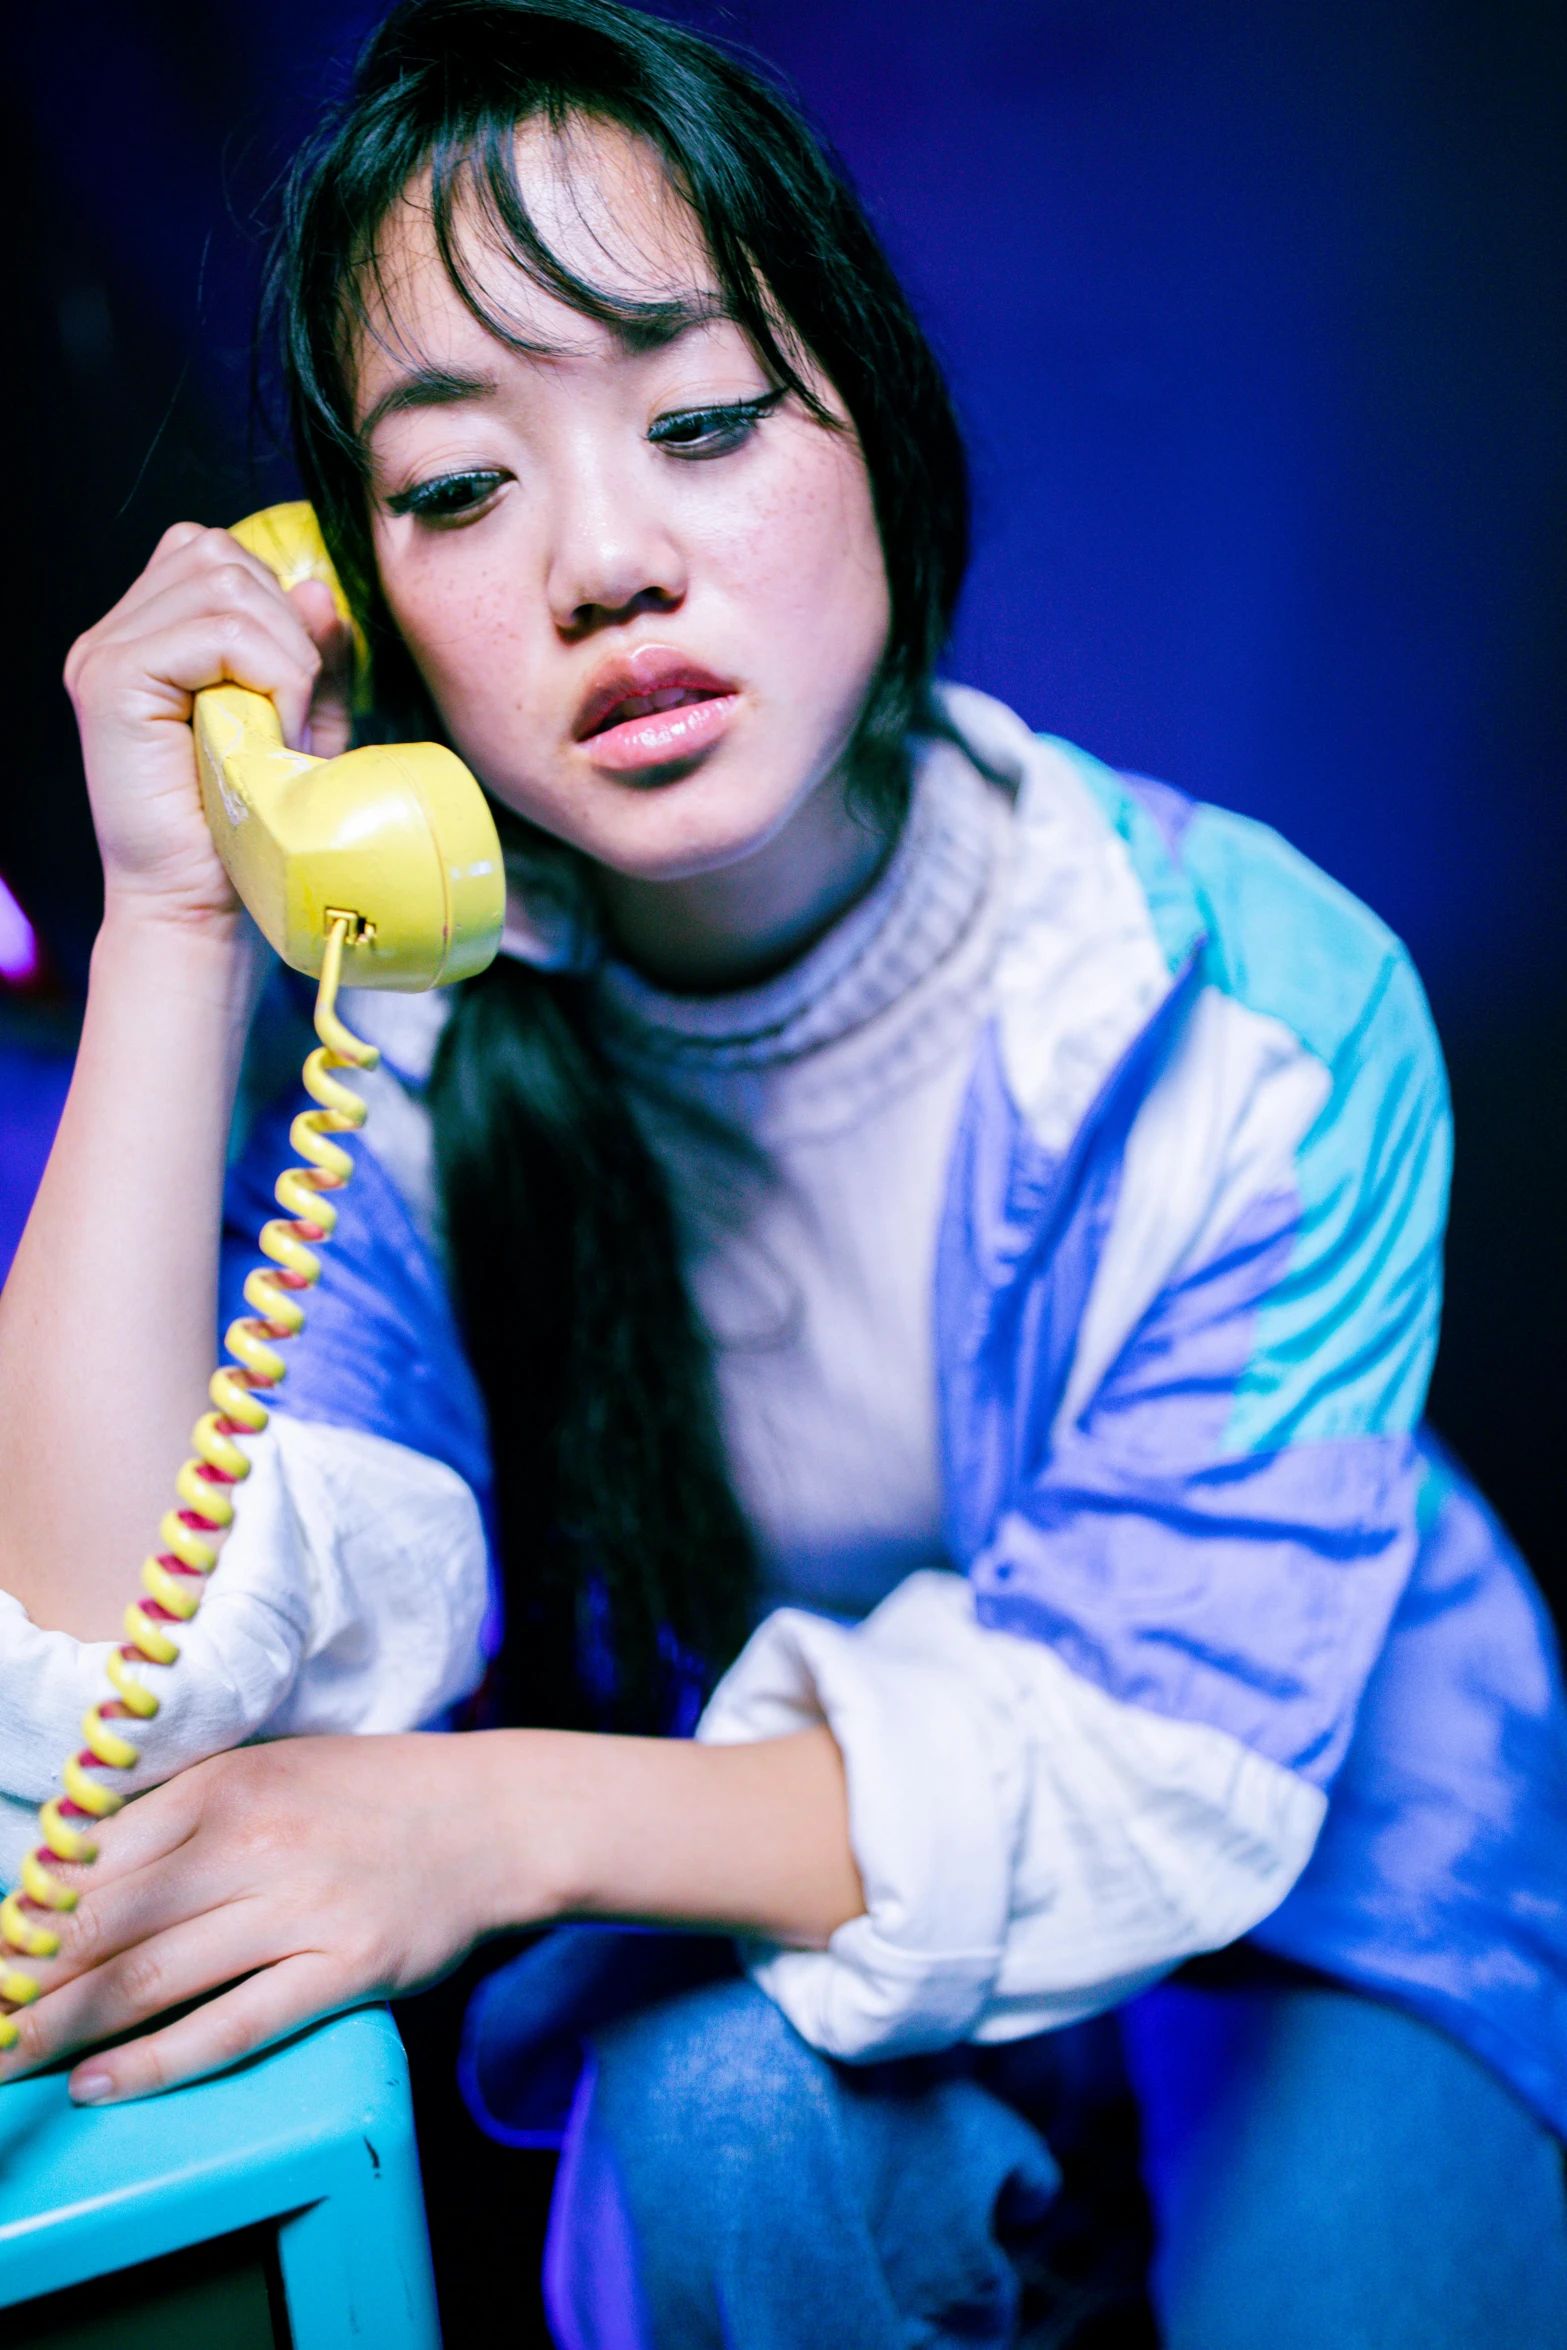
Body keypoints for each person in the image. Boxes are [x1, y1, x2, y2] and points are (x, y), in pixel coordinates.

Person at [1, 3, 1564, 2342]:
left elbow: (1153, 1749)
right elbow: (100, 1702)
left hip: (1320, 1821)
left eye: (702, 417)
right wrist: (177, 916)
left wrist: (493, 1822)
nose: (605, 563)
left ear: (870, 424)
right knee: (708, 2128)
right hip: (776, 1873)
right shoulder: (414, 1073)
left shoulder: (1259, 1001)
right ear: (363, 595)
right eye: (453, 491)